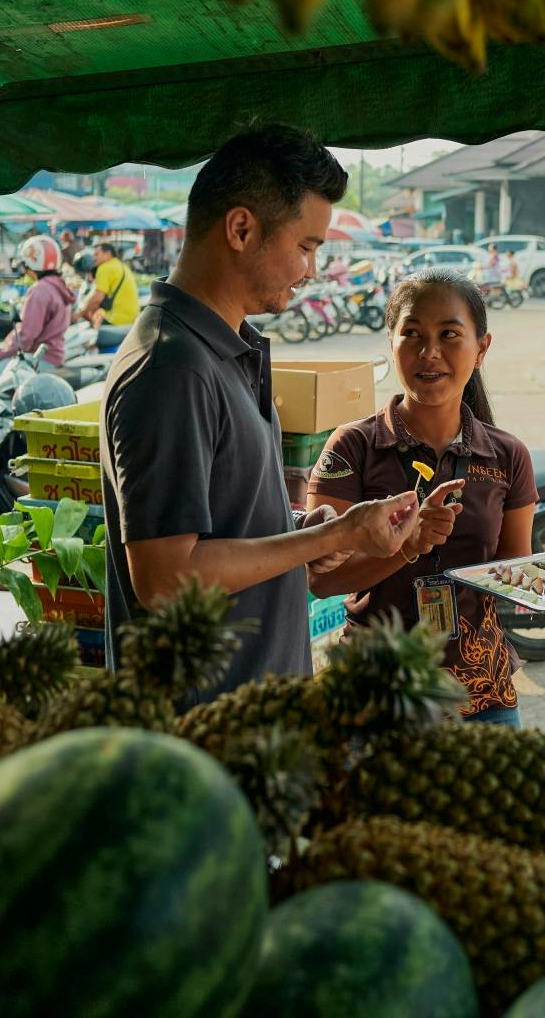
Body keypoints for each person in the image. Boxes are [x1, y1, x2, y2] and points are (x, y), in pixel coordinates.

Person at [101, 124, 421, 701]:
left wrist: (305, 532)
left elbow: (225, 527)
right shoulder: (172, 368)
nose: (312, 270)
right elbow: (165, 579)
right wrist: (333, 536)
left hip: (256, 715)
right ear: (242, 228)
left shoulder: (226, 348)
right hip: (205, 733)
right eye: (306, 247)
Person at [307, 270, 536, 724]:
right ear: (390, 342)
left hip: (479, 691)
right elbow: (323, 581)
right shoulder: (352, 447)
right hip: (374, 693)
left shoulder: (507, 455)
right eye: (411, 334)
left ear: (481, 348)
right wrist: (407, 547)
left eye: (449, 334)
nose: (429, 352)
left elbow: (515, 571)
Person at [0, 235, 76, 366]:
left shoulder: (39, 290)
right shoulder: (60, 285)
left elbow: (26, 335)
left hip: (39, 359)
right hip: (54, 356)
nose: (25, 272)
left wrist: (0, 354)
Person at [79, 240, 141, 349]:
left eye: (97, 254)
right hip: (132, 317)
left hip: (118, 319)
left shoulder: (105, 268)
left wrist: (80, 313)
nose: (94, 258)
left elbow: (97, 297)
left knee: (91, 341)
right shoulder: (120, 265)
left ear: (107, 254)